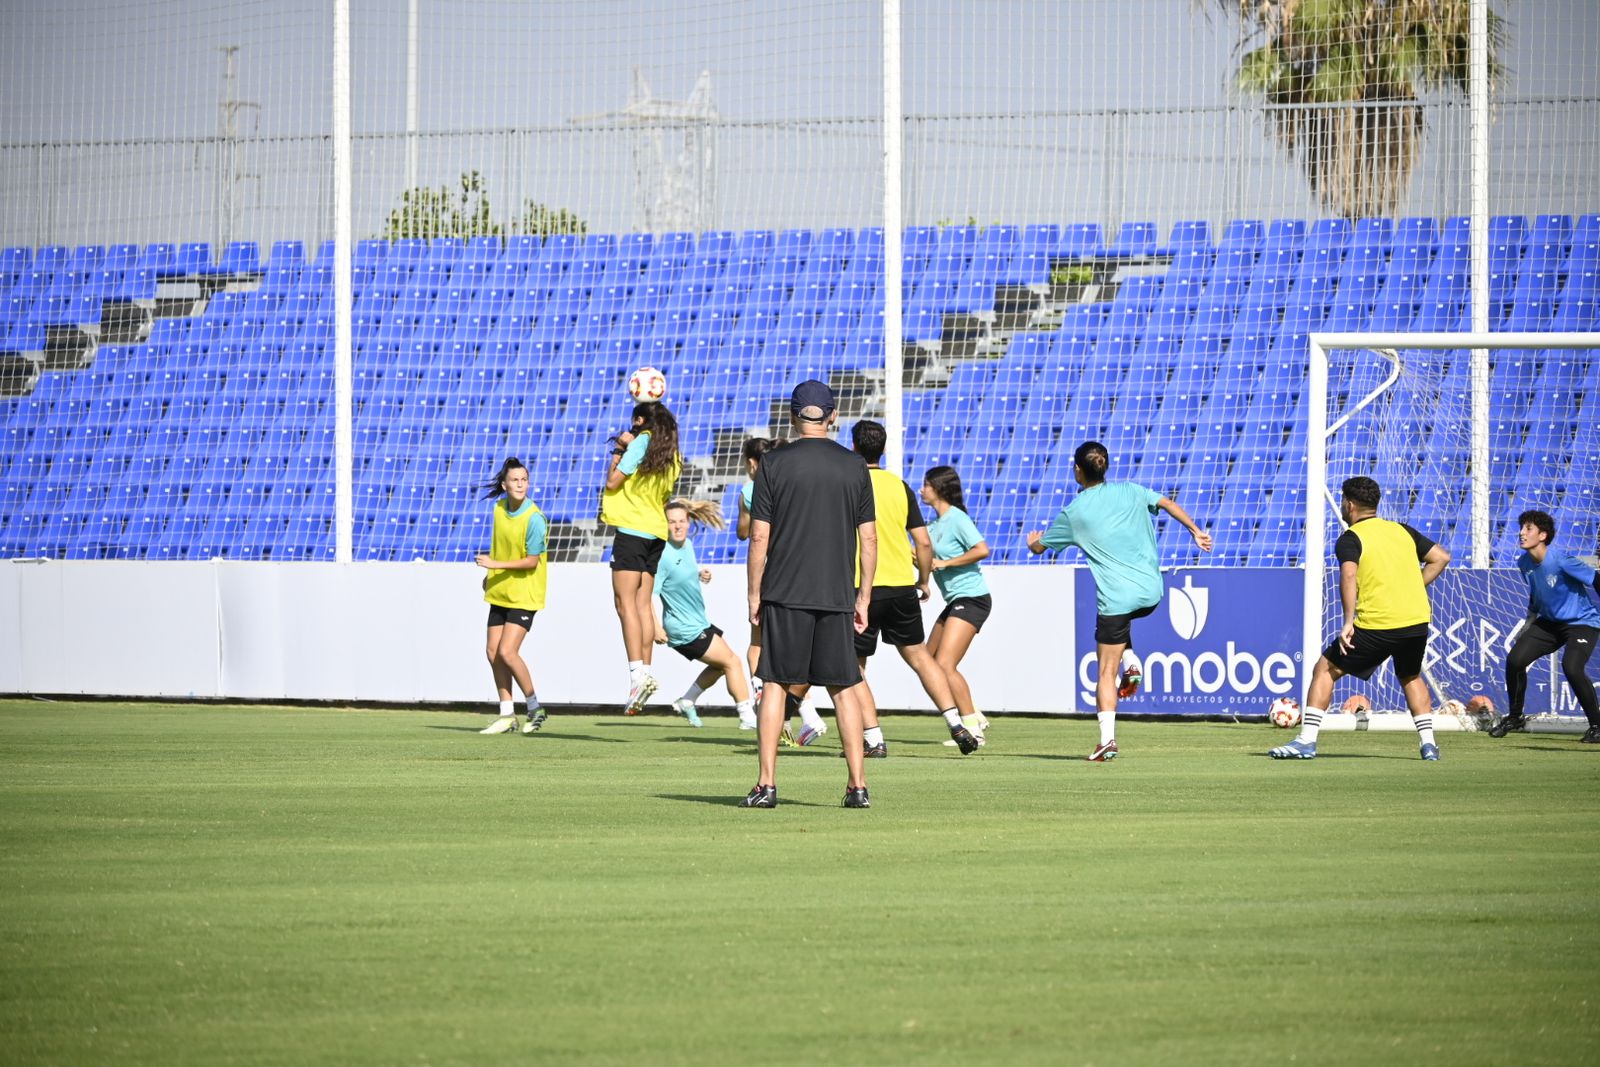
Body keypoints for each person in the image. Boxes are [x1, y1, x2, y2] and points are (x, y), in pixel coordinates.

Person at [799, 424, 979, 758]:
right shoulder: (900, 486)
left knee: (854, 667)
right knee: (921, 658)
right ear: (882, 449)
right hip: (900, 586)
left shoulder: (846, 483)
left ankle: (873, 738)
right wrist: (923, 580)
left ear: (852, 446)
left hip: (859, 588)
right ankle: (956, 723)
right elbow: (923, 542)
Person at [1027, 440, 1213, 760]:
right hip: (1152, 593)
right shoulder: (1131, 489)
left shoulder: (1073, 513)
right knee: (1117, 622)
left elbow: (1041, 548)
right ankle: (1131, 660)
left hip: (1116, 600)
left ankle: (1107, 740)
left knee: (1104, 672)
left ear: (1076, 470)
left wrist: (1033, 541)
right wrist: (1195, 530)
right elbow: (1167, 503)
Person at [743, 380, 877, 809]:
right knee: (844, 687)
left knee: (776, 684)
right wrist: (863, 597)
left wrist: (753, 594)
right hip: (836, 593)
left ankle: (766, 785)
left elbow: (758, 536)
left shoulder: (774, 463)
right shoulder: (854, 466)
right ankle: (858, 786)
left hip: (784, 591)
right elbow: (869, 538)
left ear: (792, 415)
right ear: (833, 415)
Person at [1268, 475, 1452, 761]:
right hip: (1416, 621)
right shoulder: (1401, 530)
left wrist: (1347, 621)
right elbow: (1441, 557)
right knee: (1410, 675)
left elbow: (1349, 575)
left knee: (1325, 669)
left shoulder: (1351, 538)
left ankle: (1306, 740)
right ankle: (1429, 745)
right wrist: (1414, 585)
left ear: (1349, 504)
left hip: (1377, 624)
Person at [737, 435, 829, 745]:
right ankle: (808, 716)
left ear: (752, 463)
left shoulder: (752, 489)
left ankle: (768, 696)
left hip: (768, 572)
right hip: (801, 570)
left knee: (760, 643)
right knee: (801, 650)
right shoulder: (798, 482)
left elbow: (745, 533)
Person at [1488, 510, 1600, 743]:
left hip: (1581, 623)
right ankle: (1516, 717)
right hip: (1549, 623)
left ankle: (1597, 726)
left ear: (1542, 535)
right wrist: (1528, 623)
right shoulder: (1523, 562)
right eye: (1521, 528)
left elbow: (1596, 580)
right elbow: (1537, 594)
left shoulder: (1560, 560)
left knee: (1572, 667)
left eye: (1528, 529)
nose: (1521, 533)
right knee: (1515, 660)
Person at [601, 401, 682, 715]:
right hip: (655, 532)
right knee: (643, 603)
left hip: (632, 529)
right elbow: (663, 496)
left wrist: (621, 450)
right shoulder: (672, 456)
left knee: (625, 604)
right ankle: (645, 673)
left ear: (641, 421)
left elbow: (613, 482)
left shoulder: (641, 443)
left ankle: (637, 676)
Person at [653, 498, 759, 731]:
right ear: (664, 525)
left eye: (682, 521)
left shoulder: (687, 546)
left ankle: (687, 700)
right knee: (733, 662)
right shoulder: (662, 555)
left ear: (689, 522)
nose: (678, 526)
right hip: (683, 628)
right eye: (672, 522)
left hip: (698, 622)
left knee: (721, 665)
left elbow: (683, 571)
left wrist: (700, 573)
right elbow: (651, 593)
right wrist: (654, 626)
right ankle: (747, 715)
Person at [475, 457, 549, 736]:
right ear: (504, 484)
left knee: (507, 651)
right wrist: (491, 575)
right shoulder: (499, 508)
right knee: (493, 652)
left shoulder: (535, 519)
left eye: (524, 480)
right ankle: (507, 714)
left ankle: (535, 707)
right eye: (515, 480)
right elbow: (502, 547)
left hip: (524, 594)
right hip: (501, 590)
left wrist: (494, 565)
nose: (520, 484)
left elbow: (531, 561)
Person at [922, 464, 993, 749]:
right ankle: (974, 714)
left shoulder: (957, 518)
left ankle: (974, 729)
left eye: (926, 485)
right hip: (955, 600)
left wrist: (945, 563)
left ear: (938, 489)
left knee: (945, 665)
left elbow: (982, 549)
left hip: (972, 598)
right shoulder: (934, 525)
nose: (921, 489)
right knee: (927, 661)